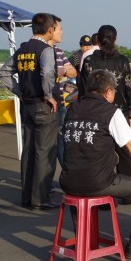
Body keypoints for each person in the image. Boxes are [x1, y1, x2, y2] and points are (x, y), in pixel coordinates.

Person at [60, 69, 131, 259]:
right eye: (114, 91)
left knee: (82, 182)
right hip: (99, 182)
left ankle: (84, 239)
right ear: (107, 92)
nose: (114, 95)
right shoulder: (110, 112)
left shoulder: (73, 108)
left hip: (68, 181)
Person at [0, 13, 60, 210]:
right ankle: (40, 199)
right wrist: (49, 94)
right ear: (50, 30)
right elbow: (47, 72)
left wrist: (18, 91)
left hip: (27, 105)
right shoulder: (46, 50)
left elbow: (4, 72)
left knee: (29, 151)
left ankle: (27, 196)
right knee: (45, 152)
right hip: (44, 105)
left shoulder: (23, 49)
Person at [79, 25, 131, 177]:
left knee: (97, 151)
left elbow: (83, 89)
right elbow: (128, 88)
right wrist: (130, 114)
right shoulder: (123, 61)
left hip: (94, 113)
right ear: (115, 40)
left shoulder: (89, 60)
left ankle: (98, 186)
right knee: (125, 153)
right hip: (119, 112)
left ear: (97, 39)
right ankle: (128, 191)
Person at [48, 16, 77, 169]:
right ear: (50, 30)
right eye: (60, 29)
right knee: (45, 144)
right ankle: (45, 182)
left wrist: (64, 71)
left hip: (59, 102)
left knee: (62, 139)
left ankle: (68, 174)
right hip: (45, 103)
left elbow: (73, 72)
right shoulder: (40, 51)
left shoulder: (59, 52)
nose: (62, 32)